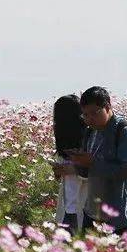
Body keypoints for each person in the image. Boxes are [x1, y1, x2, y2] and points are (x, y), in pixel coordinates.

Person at [68, 86, 127, 235]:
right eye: (85, 115)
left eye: (94, 113)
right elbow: (87, 172)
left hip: (120, 216)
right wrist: (79, 162)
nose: (89, 119)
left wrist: (93, 163)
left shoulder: (125, 132)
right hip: (93, 213)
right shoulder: (90, 132)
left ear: (107, 107)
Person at [50, 94, 88, 234]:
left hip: (85, 207)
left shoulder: (89, 138)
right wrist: (59, 171)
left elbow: (98, 171)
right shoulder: (64, 142)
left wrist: (73, 170)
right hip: (67, 207)